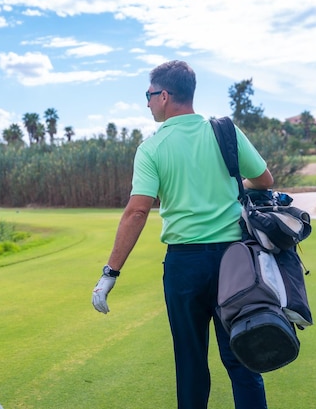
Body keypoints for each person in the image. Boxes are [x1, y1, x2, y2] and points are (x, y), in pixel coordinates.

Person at [91, 60, 274, 409]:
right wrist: (235, 187)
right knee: (242, 357)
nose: (146, 103)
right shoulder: (225, 131)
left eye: (148, 95)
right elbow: (264, 180)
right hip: (235, 262)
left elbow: (137, 211)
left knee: (190, 363)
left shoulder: (152, 148)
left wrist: (110, 273)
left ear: (163, 96)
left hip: (185, 265)